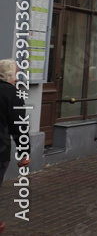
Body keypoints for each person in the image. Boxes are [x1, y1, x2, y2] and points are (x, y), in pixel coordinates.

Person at [0, 59, 30, 234]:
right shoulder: (12, 93)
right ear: (10, 75)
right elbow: (19, 126)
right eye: (16, 74)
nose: (17, 78)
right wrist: (24, 152)